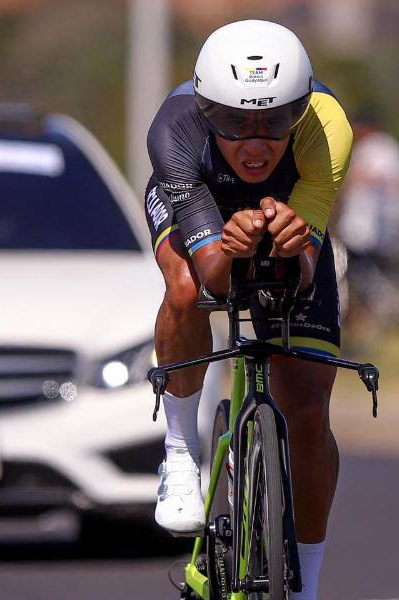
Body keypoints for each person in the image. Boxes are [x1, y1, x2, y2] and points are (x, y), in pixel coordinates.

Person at [142, 20, 351, 600]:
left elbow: (304, 271)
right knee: (185, 286)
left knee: (307, 411)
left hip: (289, 203)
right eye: (234, 122)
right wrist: (227, 244)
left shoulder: (327, 130)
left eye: (276, 120)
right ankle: (181, 455)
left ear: (301, 110)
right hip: (200, 197)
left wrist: (290, 241)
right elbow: (213, 276)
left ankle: (306, 587)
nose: (255, 142)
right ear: (208, 110)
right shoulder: (174, 131)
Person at [328, 109, 399, 348]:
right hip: (374, 232)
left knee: (359, 280)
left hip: (366, 233)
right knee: (358, 282)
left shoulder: (378, 150)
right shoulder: (388, 151)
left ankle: (393, 319)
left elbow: (365, 181)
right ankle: (360, 332)